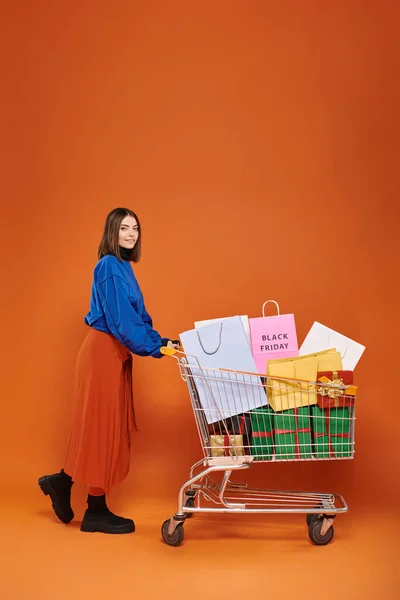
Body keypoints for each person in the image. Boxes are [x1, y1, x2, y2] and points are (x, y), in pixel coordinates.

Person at [38, 208, 178, 534]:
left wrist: (162, 340)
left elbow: (137, 317)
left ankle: (63, 482)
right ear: (112, 232)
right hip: (103, 351)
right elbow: (121, 321)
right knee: (101, 427)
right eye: (124, 228)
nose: (131, 234)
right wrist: (152, 347)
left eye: (135, 229)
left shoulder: (123, 268)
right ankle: (95, 511)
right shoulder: (109, 267)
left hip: (113, 352)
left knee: (99, 425)